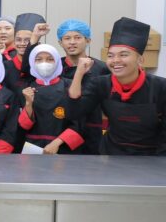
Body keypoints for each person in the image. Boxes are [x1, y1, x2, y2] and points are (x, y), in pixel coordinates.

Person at [68, 17, 166, 155]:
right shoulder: (101, 84)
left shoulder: (161, 87)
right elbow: (75, 112)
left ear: (140, 60)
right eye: (110, 56)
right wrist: (78, 74)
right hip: (112, 154)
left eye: (123, 55)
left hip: (151, 155)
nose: (116, 60)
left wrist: (159, 161)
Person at [17, 45, 88, 154]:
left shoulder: (70, 86)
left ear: (58, 62)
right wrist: (28, 103)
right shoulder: (26, 88)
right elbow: (23, 126)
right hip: (34, 149)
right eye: (38, 59)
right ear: (32, 62)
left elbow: (80, 122)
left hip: (64, 148)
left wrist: (56, 143)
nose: (44, 63)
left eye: (50, 59)